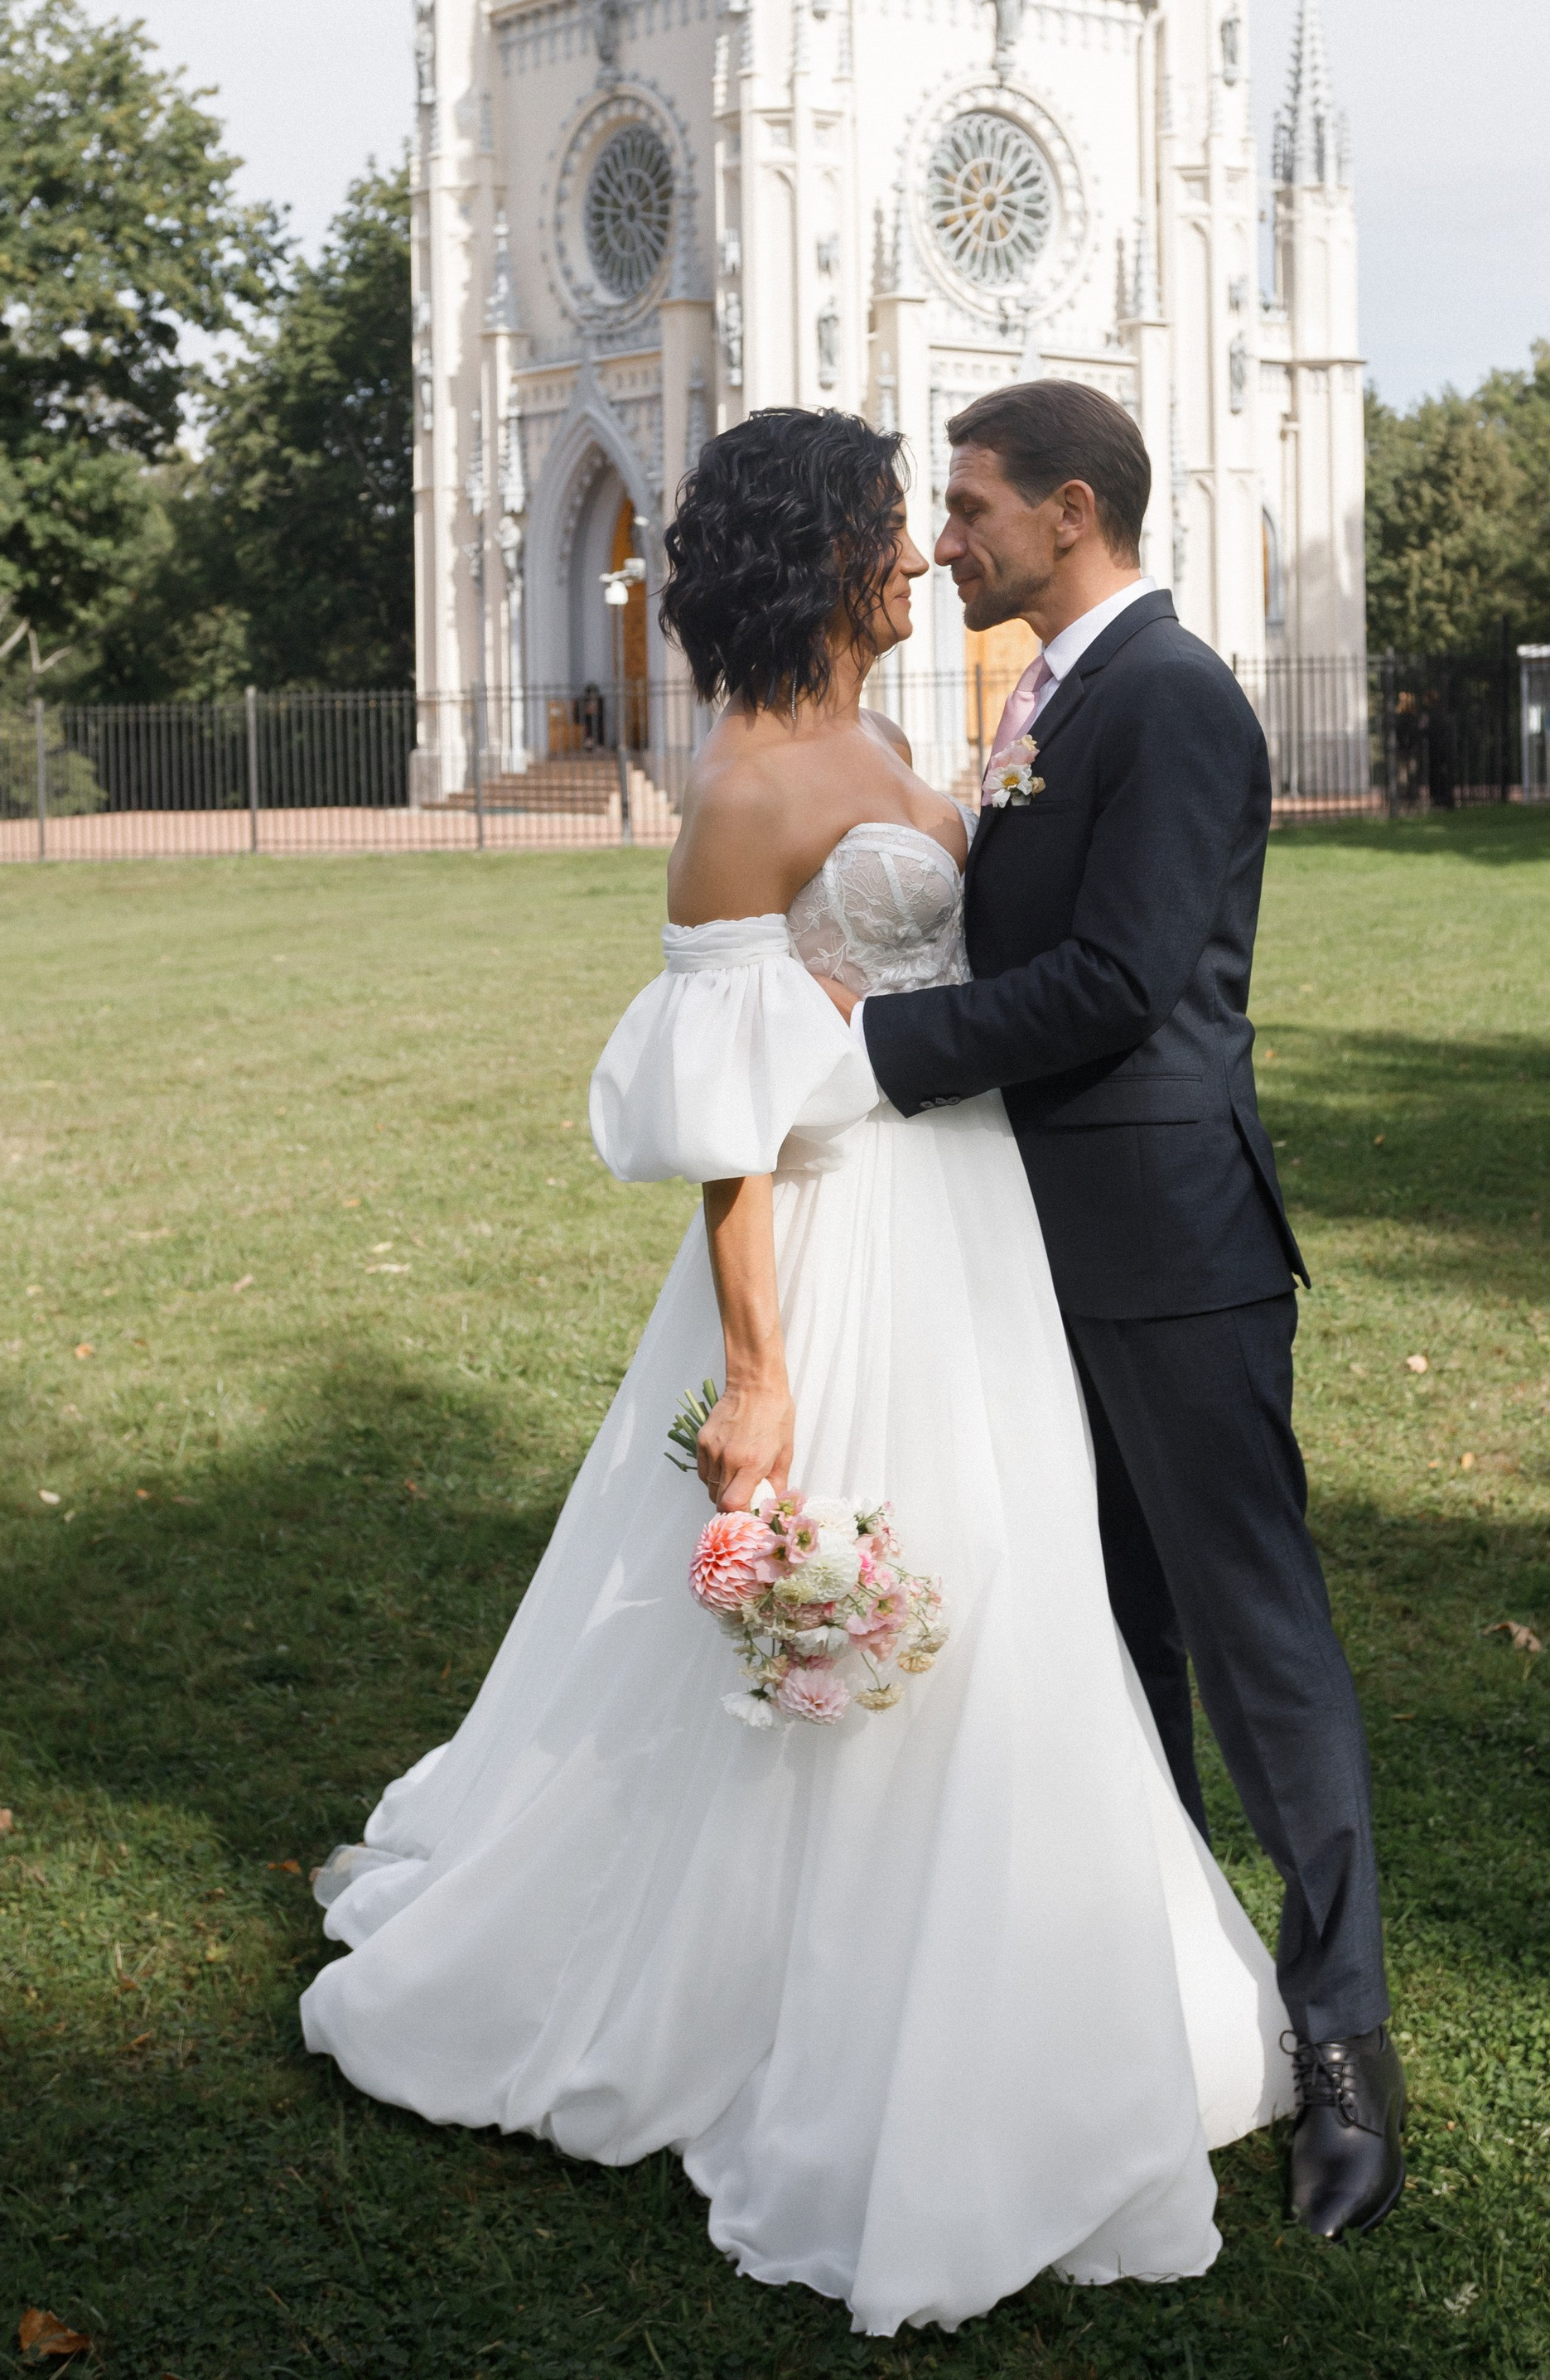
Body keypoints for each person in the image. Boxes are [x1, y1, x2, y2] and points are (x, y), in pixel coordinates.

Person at [301, 408, 1292, 2342]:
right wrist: (755, 1374)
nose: (918, 555)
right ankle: (770, 1994)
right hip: (840, 1256)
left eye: (934, 522)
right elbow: (730, 1130)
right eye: (885, 528)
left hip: (975, 1234)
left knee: (1007, 1591)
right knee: (857, 1600)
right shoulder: (743, 790)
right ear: (821, 558)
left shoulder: (902, 747)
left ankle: (1032, 1965)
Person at [843, 379, 1403, 2242]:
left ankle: (1342, 2052)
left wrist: (877, 1046)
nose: (941, 538)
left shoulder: (1169, 699)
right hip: (1029, 1249)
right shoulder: (1050, 692)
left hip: (1170, 1248)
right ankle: (1172, 1993)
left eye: (971, 506)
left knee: (1254, 1645)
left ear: (1070, 510)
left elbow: (1116, 978)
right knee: (1102, 1632)